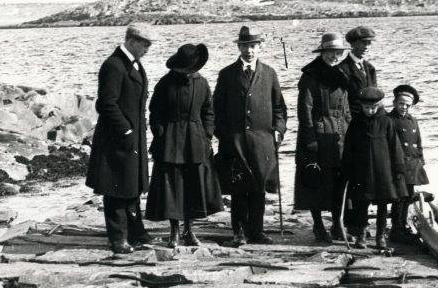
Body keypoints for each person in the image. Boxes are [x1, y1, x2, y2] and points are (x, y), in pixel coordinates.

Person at [213, 25, 288, 246]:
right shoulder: (227, 74)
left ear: (260, 47)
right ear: (239, 46)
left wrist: (279, 131)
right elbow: (217, 110)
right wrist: (225, 136)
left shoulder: (269, 73)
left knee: (258, 187)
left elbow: (279, 109)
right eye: (245, 45)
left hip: (262, 142)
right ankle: (239, 232)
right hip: (235, 141)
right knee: (238, 189)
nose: (249, 51)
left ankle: (257, 231)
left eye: (253, 46)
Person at [85, 23, 157, 254]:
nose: (148, 49)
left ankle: (136, 232)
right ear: (132, 41)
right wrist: (125, 130)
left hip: (132, 137)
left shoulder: (134, 65)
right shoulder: (114, 65)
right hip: (116, 139)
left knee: (132, 186)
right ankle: (118, 239)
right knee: (116, 188)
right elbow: (106, 103)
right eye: (145, 44)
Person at [145, 43, 223, 247]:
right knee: (172, 188)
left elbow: (209, 111)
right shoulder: (165, 84)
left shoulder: (202, 83)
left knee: (193, 187)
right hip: (170, 142)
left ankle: (190, 230)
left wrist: (206, 135)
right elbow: (155, 113)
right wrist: (161, 134)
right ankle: (174, 232)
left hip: (195, 141)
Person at [294, 32, 352, 244]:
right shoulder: (311, 76)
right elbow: (305, 109)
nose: (334, 57)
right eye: (330, 53)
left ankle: (337, 224)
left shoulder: (342, 75)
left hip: (339, 136)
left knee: (338, 181)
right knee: (316, 181)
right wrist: (310, 138)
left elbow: (346, 108)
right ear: (322, 52)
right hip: (317, 135)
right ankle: (318, 226)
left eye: (338, 53)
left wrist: (349, 130)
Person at [341, 87, 407, 249]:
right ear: (361, 106)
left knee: (383, 205)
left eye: (373, 107)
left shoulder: (386, 122)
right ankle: (361, 235)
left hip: (383, 171)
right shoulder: (356, 122)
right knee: (361, 204)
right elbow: (349, 147)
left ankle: (380, 236)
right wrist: (347, 169)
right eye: (366, 108)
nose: (370, 111)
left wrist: (398, 170)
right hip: (361, 171)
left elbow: (395, 147)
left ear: (379, 105)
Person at [385, 84, 429, 245]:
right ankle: (396, 229)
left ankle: (403, 226)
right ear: (394, 102)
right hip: (398, 166)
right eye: (401, 103)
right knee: (399, 198)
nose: (404, 107)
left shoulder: (413, 120)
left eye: (407, 105)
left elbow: (418, 142)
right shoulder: (389, 120)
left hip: (413, 165)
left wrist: (421, 160)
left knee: (408, 196)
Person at [338, 26, 378, 113]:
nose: (367, 47)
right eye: (363, 43)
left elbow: (375, 97)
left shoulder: (370, 68)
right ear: (352, 44)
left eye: (369, 43)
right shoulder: (342, 69)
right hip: (352, 119)